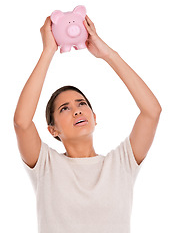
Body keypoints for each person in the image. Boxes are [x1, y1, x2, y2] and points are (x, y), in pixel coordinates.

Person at [13, 15, 162, 233]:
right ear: (52, 129)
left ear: (94, 116)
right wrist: (47, 52)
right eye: (65, 108)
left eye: (81, 104)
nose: (77, 110)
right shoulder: (45, 164)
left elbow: (152, 112)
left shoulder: (121, 164)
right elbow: (21, 123)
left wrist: (108, 55)